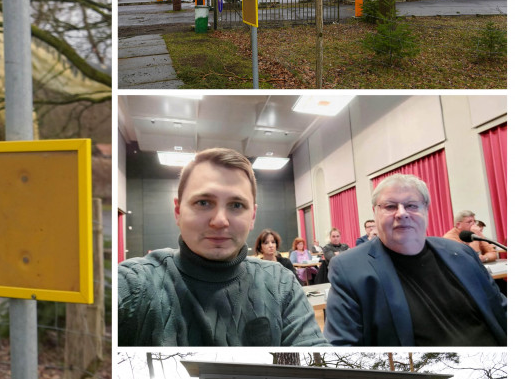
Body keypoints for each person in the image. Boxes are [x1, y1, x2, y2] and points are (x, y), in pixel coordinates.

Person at [117, 148, 328, 346]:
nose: (220, 221)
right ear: (178, 211)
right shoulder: (136, 283)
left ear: (252, 216)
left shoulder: (281, 284)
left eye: (236, 205)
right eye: (203, 203)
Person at [323, 173, 506, 346]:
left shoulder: (461, 252)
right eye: (390, 206)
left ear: (426, 210)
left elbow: (501, 309)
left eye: (411, 205)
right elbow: (343, 344)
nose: (402, 213)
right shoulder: (349, 268)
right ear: (375, 212)